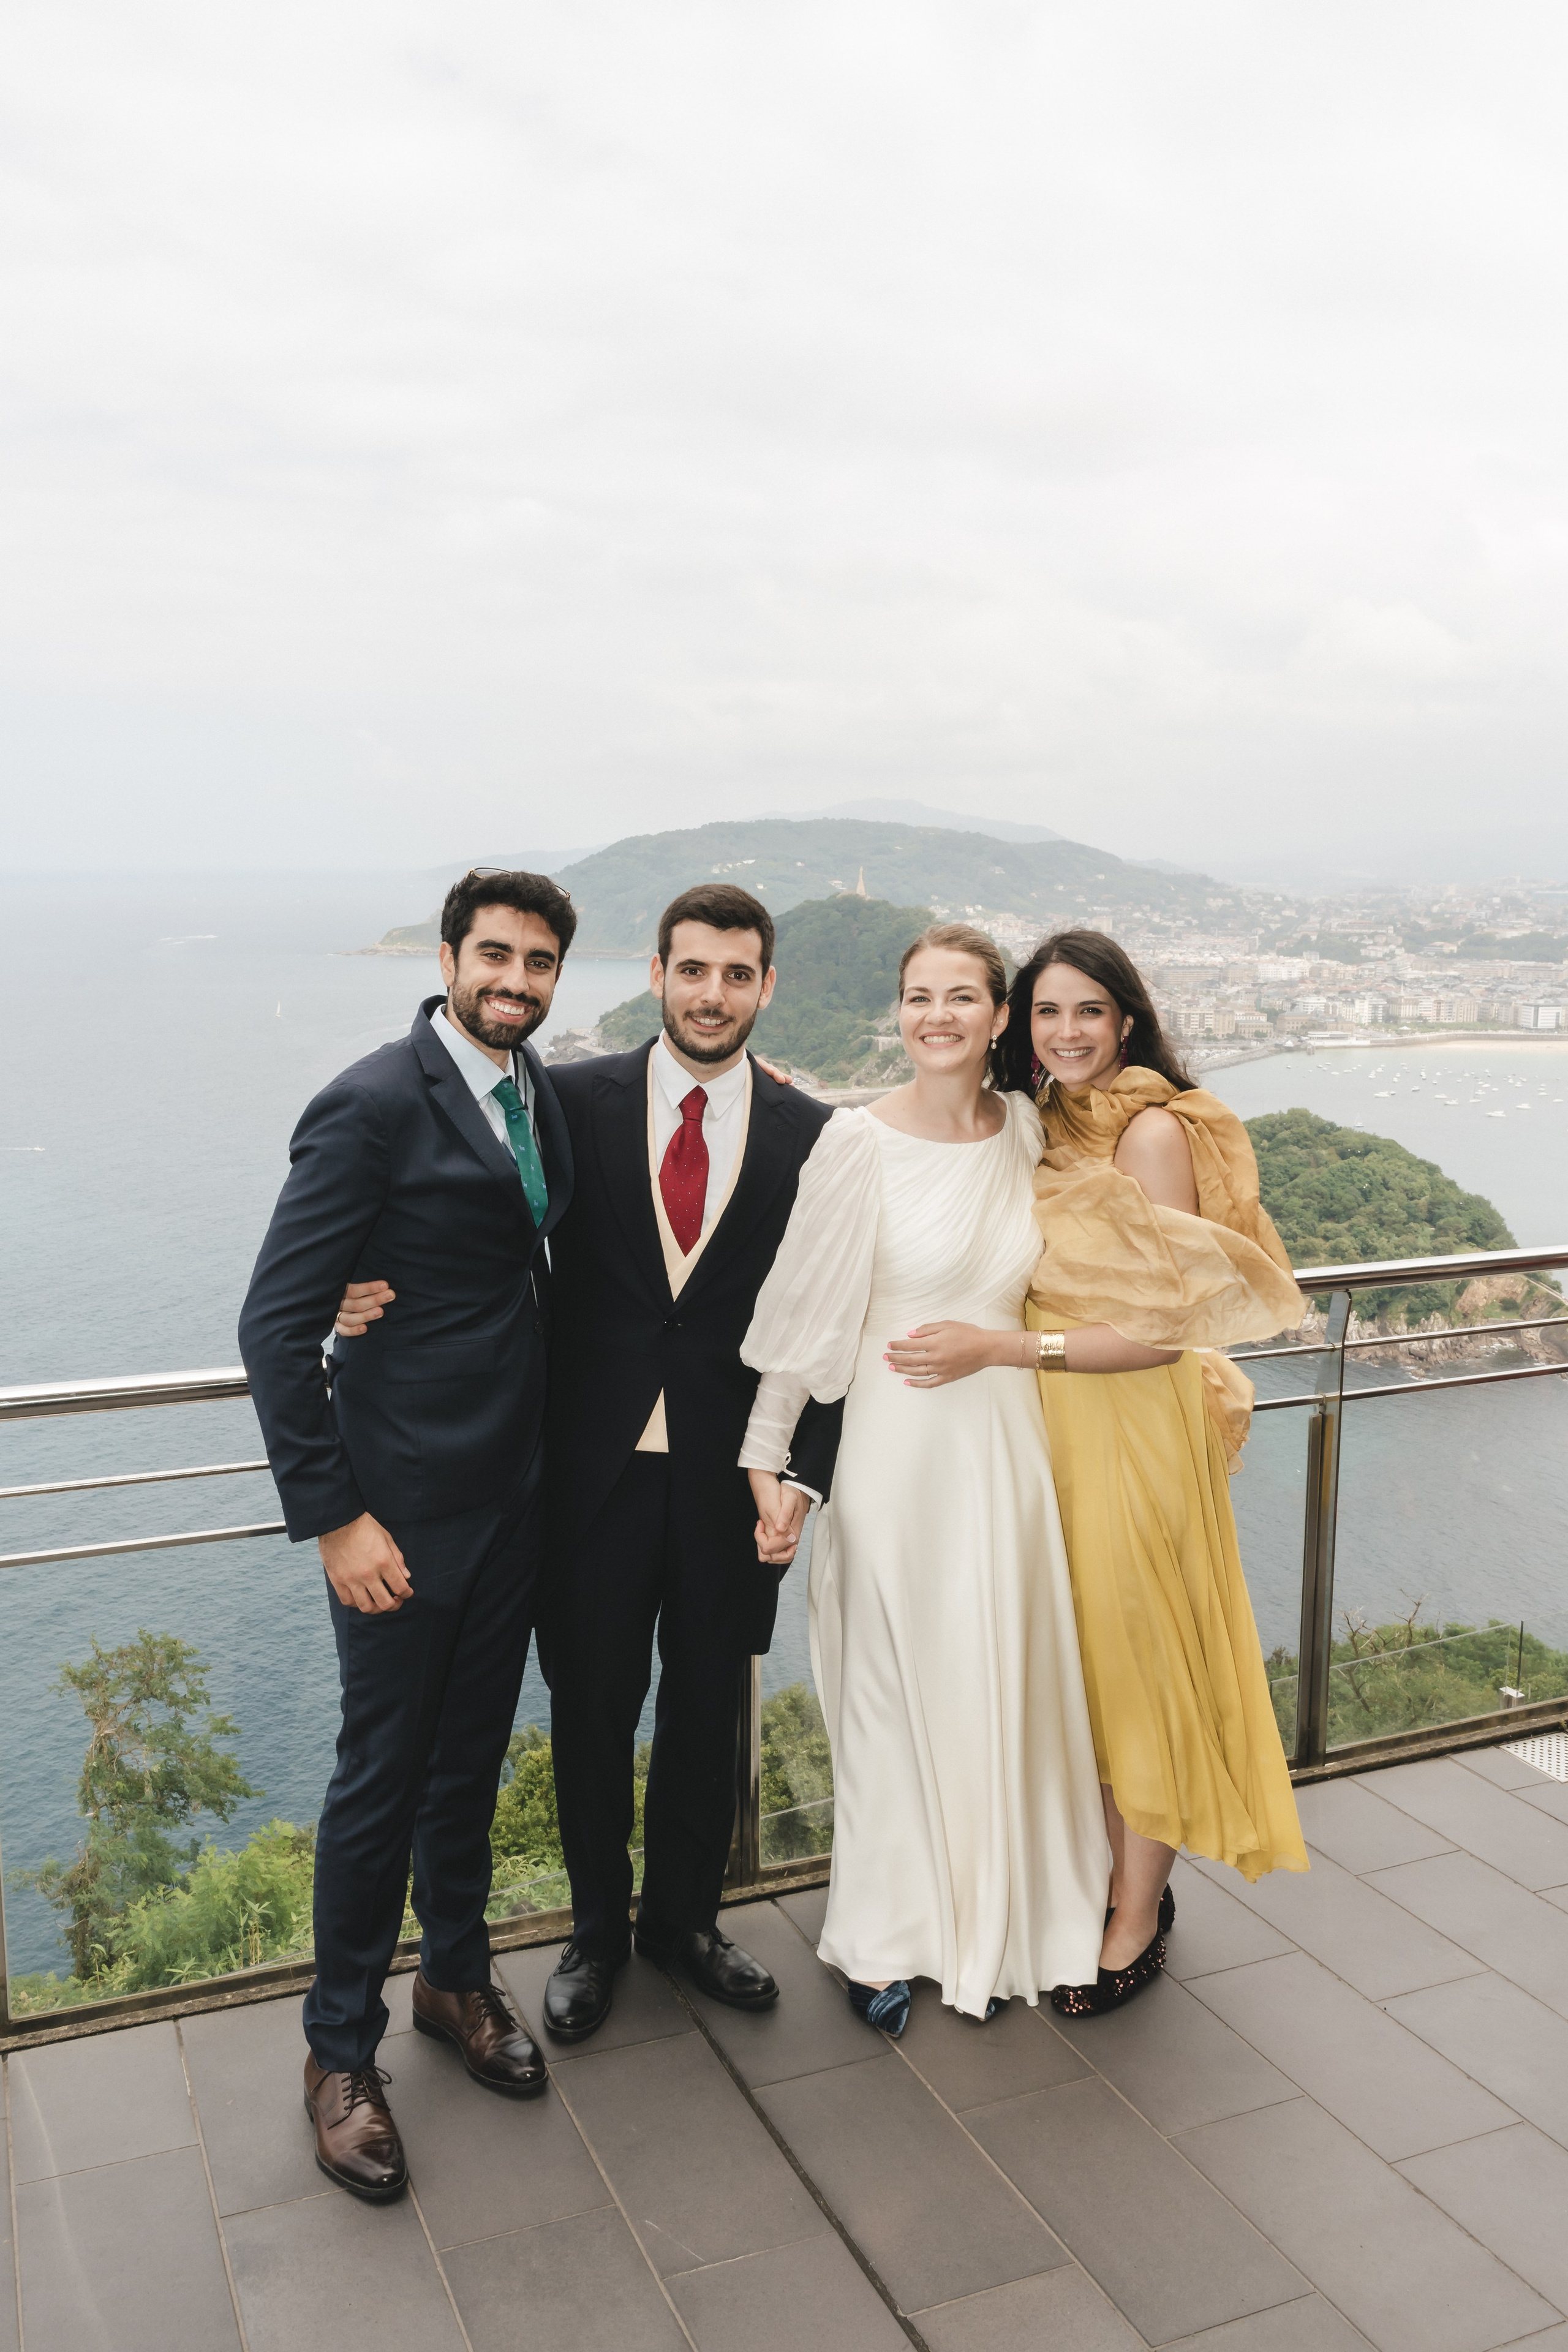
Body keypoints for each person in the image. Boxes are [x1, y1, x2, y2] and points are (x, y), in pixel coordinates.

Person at [337, 883, 843, 2043]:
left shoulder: (816, 1135)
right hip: (585, 1476)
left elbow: (835, 1322)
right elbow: (457, 1223)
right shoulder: (563, 1100)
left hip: (734, 1478)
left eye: (736, 975)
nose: (711, 995)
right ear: (655, 974)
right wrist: (342, 1283)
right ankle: (597, 1935)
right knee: (592, 1714)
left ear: (766, 987)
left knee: (708, 1711)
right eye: (691, 970)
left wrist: (802, 1475)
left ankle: (686, 1924)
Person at [238, 869, 576, 2203]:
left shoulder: (533, 1086)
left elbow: (513, 1257)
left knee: (469, 1759)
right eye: (494, 955)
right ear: (447, 958)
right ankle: (337, 2053)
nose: (514, 980)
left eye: (538, 961)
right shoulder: (373, 1101)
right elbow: (273, 1326)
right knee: (379, 1780)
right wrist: (335, 1519)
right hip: (399, 1516)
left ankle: (452, 1979)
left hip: (513, 1499)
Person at [739, 923, 1109, 2030]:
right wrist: (768, 1458)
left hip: (1008, 1444)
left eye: (961, 997)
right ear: (897, 1014)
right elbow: (807, 1314)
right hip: (893, 1448)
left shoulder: (1032, 1130)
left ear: (1000, 1017)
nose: (937, 1016)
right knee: (889, 1687)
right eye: (918, 997)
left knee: (1004, 1670)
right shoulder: (856, 1142)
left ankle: (1016, 1910)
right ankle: (881, 1935)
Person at [998, 928, 1309, 2016]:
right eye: (1047, 1011)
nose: (1067, 1031)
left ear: (1127, 1019)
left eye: (1088, 1010)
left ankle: (1138, 1915)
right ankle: (1112, 1882)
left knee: (1142, 1667)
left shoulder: (1154, 1130)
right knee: (1090, 1666)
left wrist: (1002, 1349)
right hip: (1059, 1424)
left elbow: (1161, 1331)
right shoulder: (1044, 1120)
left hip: (1130, 1422)